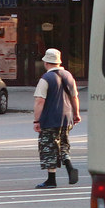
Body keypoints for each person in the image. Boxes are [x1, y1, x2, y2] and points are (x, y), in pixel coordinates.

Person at [33, 48, 81, 189]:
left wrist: (37, 120)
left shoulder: (45, 79)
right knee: (63, 143)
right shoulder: (68, 76)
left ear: (46, 63)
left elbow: (39, 101)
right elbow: (74, 97)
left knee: (49, 147)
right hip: (66, 117)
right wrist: (76, 114)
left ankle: (51, 180)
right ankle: (69, 165)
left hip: (50, 118)